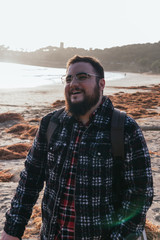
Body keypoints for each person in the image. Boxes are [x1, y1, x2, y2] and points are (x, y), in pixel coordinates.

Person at [1, 55, 153, 240]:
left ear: (101, 84)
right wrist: (12, 230)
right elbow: (30, 179)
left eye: (82, 76)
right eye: (68, 78)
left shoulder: (124, 128)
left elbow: (140, 194)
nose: (73, 83)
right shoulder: (51, 124)